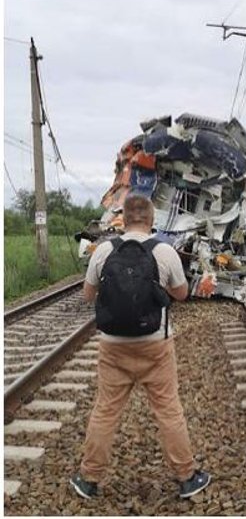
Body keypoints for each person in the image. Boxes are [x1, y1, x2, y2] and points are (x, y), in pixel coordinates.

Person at [70, 195, 210, 500]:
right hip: (155, 346)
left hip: (113, 347)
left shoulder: (104, 250)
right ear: (151, 219)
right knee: (168, 410)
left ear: (123, 218)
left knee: (105, 411)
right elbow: (182, 294)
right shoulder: (165, 251)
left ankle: (88, 478)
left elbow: (88, 295)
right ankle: (187, 477)